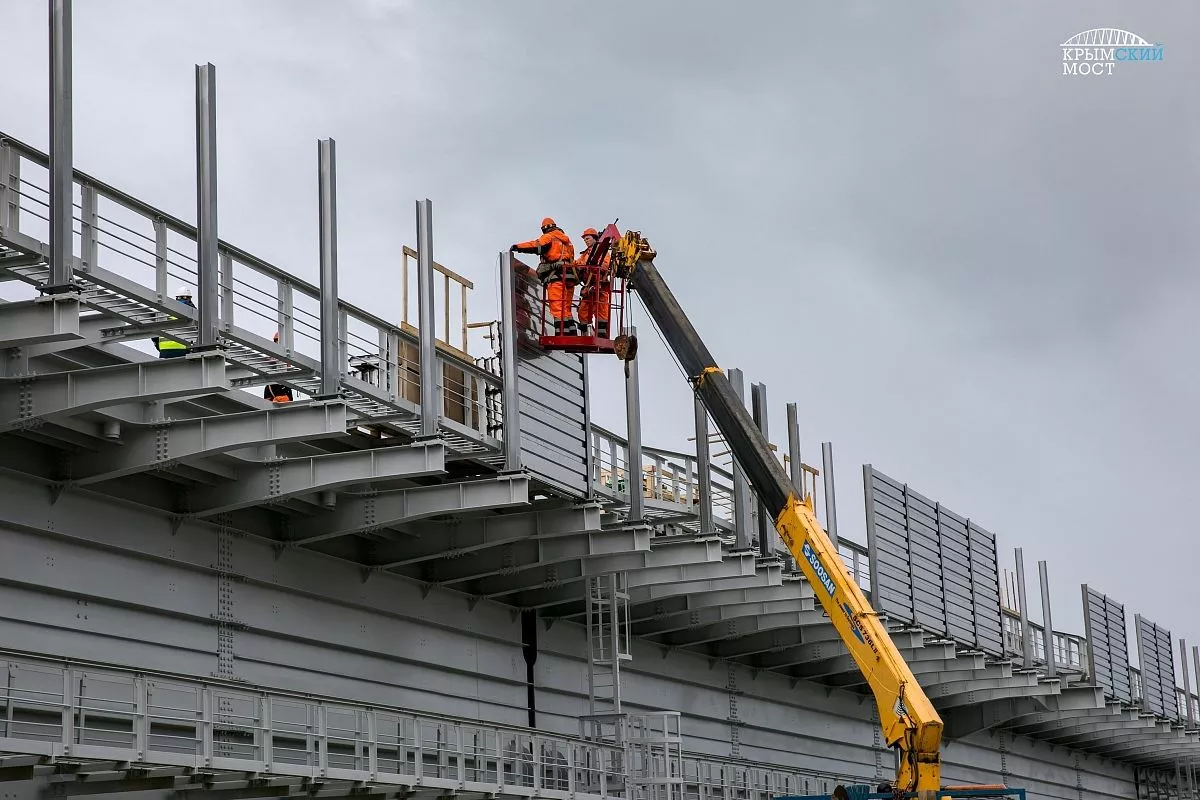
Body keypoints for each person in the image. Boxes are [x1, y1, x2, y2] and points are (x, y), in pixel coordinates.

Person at [511, 217, 577, 335]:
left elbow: (536, 246)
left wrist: (517, 247)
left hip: (556, 276)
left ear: (544, 229)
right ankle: (571, 333)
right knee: (566, 307)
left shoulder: (549, 237)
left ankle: (560, 333)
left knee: (557, 305)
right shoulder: (567, 242)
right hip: (569, 277)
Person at [575, 227, 613, 338]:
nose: (586, 241)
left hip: (600, 285)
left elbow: (606, 264)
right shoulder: (586, 254)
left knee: (601, 310)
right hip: (588, 287)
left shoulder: (603, 251)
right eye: (585, 239)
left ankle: (601, 335)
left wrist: (593, 266)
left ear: (595, 238)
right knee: (583, 311)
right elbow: (578, 263)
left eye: (587, 238)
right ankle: (585, 333)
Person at [153, 285, 195, 358]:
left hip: (164, 352)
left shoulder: (165, 313)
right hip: (183, 351)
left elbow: (154, 334)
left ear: (176, 298)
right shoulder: (192, 312)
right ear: (189, 298)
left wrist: (159, 347)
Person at [264, 331, 293, 402]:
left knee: (287, 401)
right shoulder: (272, 354)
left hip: (282, 385)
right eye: (276, 341)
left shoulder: (287, 354)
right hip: (273, 384)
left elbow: (289, 368)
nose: (277, 343)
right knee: (268, 404)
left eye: (279, 341)